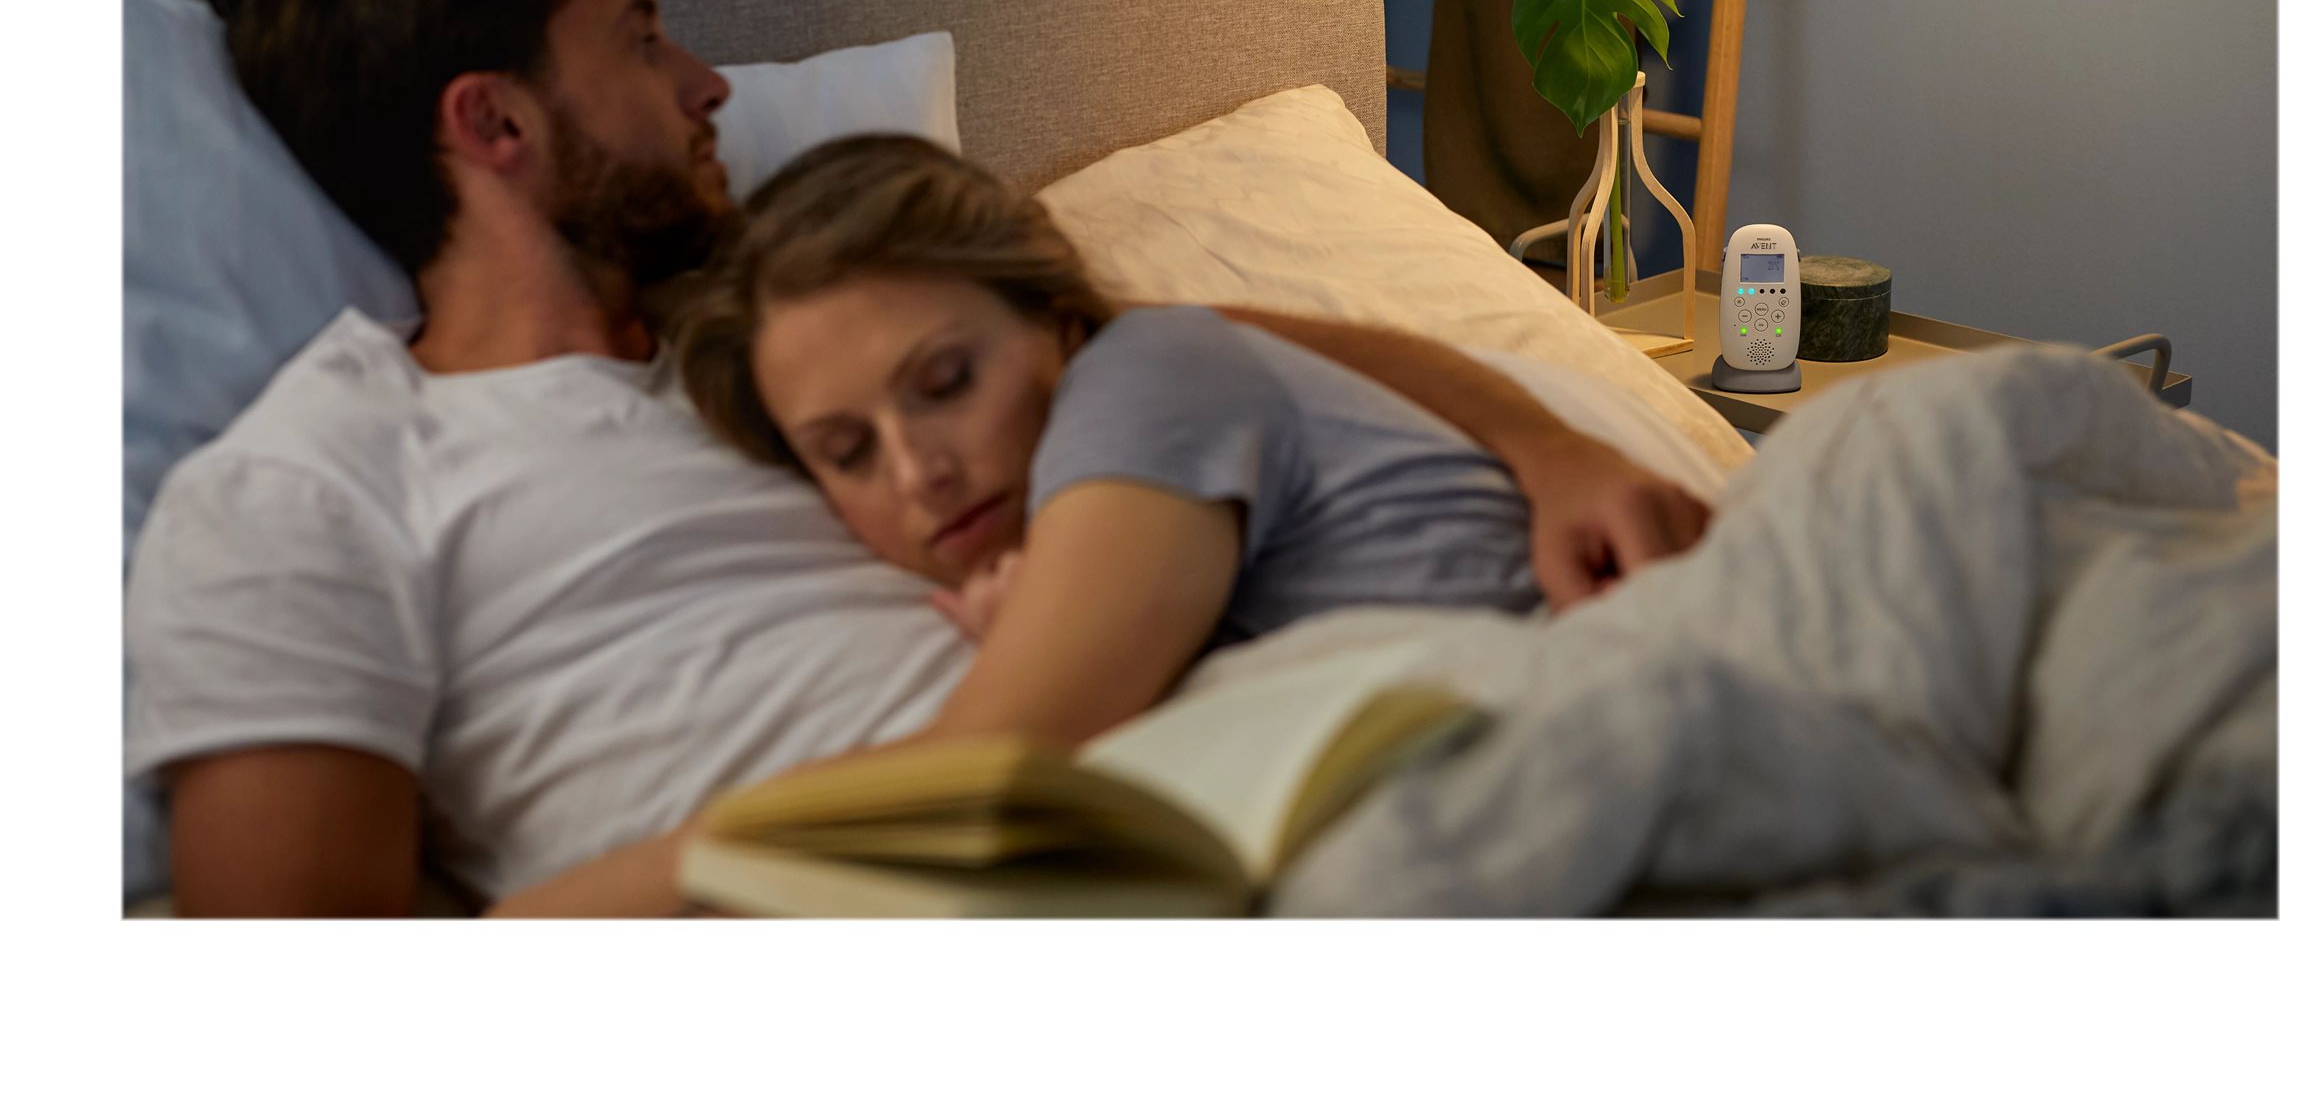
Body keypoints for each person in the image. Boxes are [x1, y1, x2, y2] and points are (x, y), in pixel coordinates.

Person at [125, 0, 1708, 918]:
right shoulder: (307, 487)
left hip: (1226, 795)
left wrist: (1550, 447)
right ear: (493, 122)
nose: (708, 83)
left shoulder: (789, 318)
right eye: (642, 39)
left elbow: (1178, 349)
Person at [675, 134, 1715, 758]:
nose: (919, 474)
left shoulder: (1138, 376)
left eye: (946, 383)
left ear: (1056, 325)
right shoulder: (1131, 451)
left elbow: (978, 769)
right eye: (846, 451)